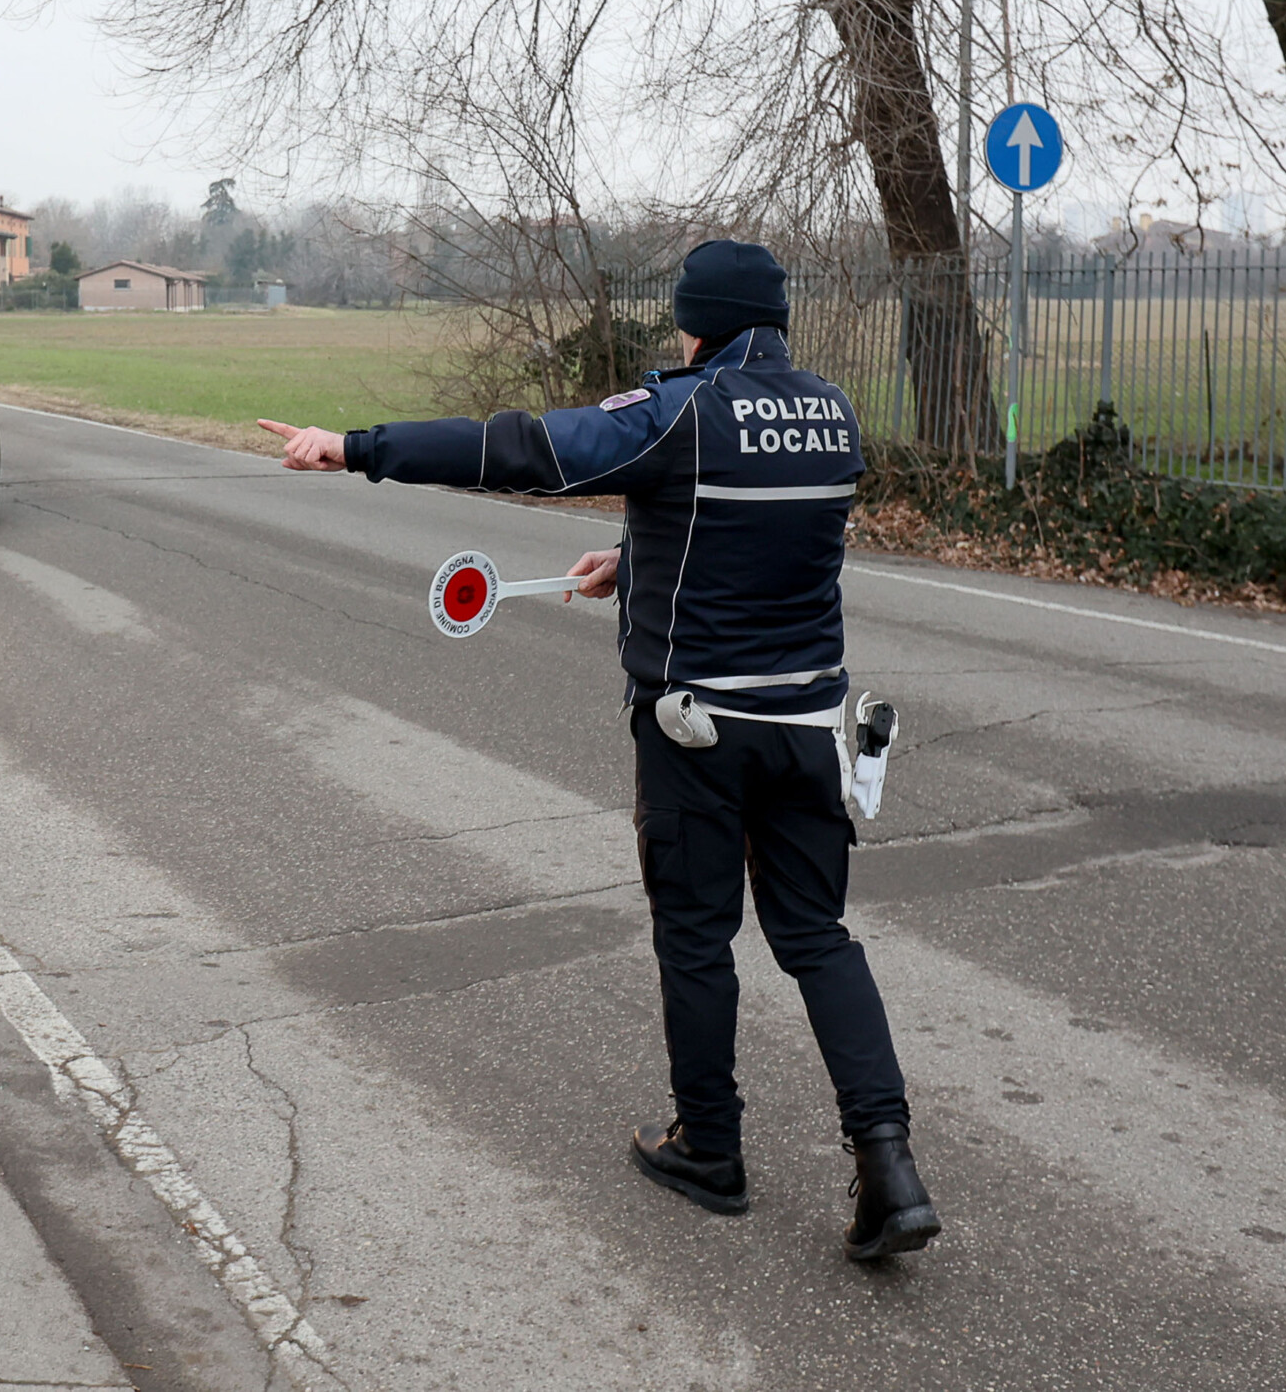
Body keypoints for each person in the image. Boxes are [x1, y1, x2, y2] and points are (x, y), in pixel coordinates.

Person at [259, 239, 939, 1261]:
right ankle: (887, 1160)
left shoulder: (682, 409)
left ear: (695, 318)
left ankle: (709, 1145)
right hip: (808, 728)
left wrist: (353, 444)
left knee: (696, 935)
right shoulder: (831, 411)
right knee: (817, 936)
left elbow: (528, 447)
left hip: (696, 730)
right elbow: (766, 541)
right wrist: (634, 561)